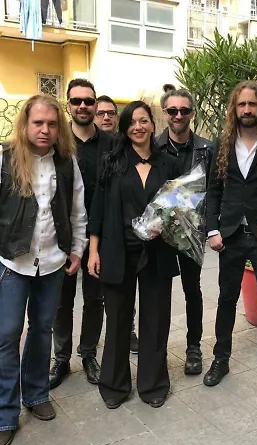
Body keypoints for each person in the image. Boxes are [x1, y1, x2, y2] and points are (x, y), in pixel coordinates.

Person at [0, 94, 87, 445]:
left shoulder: (66, 162)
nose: (45, 130)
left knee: (42, 330)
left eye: (52, 124)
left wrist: (77, 249)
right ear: (25, 123)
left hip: (52, 262)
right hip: (12, 263)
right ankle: (4, 415)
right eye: (38, 123)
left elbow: (78, 210)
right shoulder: (5, 158)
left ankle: (36, 394)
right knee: (6, 336)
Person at [88, 101, 180, 409]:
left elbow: (179, 207)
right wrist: (93, 250)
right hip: (117, 250)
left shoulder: (169, 164)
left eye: (143, 121)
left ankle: (153, 384)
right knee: (118, 319)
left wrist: (168, 224)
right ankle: (114, 385)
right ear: (125, 128)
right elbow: (98, 208)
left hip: (157, 251)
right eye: (132, 122)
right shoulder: (111, 162)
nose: (138, 127)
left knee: (156, 318)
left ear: (153, 124)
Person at [204, 80, 257, 390]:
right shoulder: (223, 142)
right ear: (234, 108)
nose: (247, 109)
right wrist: (212, 229)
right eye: (241, 104)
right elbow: (214, 190)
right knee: (226, 299)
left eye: (252, 104)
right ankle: (221, 359)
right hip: (229, 236)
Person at [50, 79, 114, 389]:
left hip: (100, 235)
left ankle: (88, 354)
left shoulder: (112, 144)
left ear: (95, 104)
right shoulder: (56, 143)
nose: (83, 106)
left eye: (88, 101)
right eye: (76, 101)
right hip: (62, 236)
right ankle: (61, 358)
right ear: (68, 105)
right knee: (61, 300)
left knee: (95, 298)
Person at [156, 86, 214, 375]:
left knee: (193, 290)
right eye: (172, 110)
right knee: (160, 294)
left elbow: (215, 191)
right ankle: (158, 351)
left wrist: (211, 228)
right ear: (164, 112)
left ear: (192, 113)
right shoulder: (152, 147)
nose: (178, 115)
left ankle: (194, 348)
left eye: (184, 110)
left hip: (193, 233)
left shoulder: (207, 149)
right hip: (161, 235)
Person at [93, 95, 139, 354]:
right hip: (89, 227)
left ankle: (127, 330)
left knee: (120, 289)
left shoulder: (126, 147)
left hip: (118, 233)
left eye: (111, 113)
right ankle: (86, 348)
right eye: (101, 113)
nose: (106, 117)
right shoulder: (85, 145)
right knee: (91, 297)